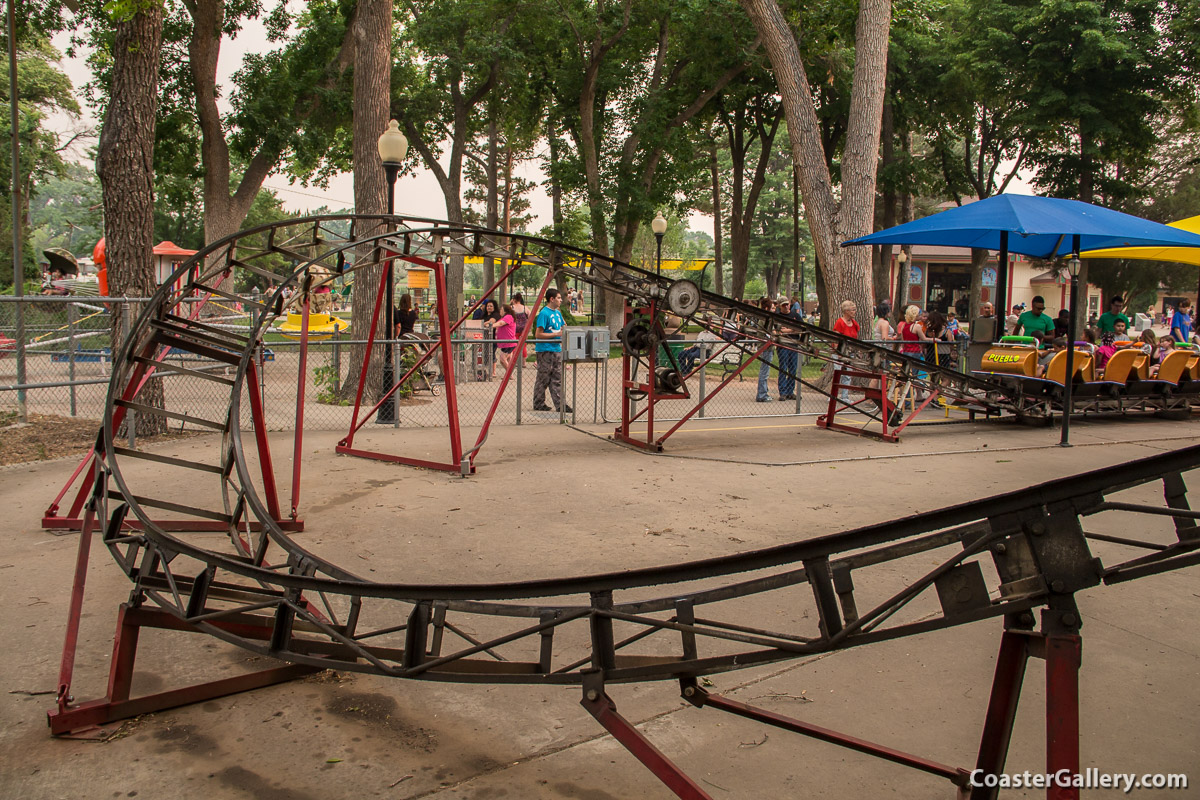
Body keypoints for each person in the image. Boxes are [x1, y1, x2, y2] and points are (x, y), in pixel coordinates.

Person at [532, 288, 570, 413]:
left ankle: (560, 404)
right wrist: (555, 334)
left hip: (556, 348)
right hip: (545, 350)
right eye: (558, 298)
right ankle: (538, 402)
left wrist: (563, 330)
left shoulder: (557, 313)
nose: (560, 300)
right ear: (551, 299)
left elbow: (563, 326)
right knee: (543, 377)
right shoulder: (544, 313)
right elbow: (538, 334)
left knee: (557, 377)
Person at [776, 299, 801, 400]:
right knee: (783, 367)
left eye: (787, 305)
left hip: (794, 344)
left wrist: (787, 330)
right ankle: (783, 392)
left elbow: (800, 329)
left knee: (793, 368)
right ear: (780, 306)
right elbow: (777, 331)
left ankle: (790, 391)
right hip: (783, 345)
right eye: (784, 305)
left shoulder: (796, 316)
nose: (786, 307)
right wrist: (792, 329)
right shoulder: (777, 316)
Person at [755, 297, 776, 402]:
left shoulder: (766, 319)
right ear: (767, 308)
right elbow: (768, 334)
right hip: (765, 348)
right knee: (764, 372)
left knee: (764, 371)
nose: (774, 310)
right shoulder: (765, 320)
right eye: (772, 308)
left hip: (766, 347)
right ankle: (762, 394)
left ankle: (763, 392)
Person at [492, 303, 518, 375]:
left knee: (502, 359)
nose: (500, 310)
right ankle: (510, 374)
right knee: (508, 359)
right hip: (505, 342)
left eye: (501, 309)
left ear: (505, 311)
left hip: (508, 342)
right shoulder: (503, 317)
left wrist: (491, 326)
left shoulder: (508, 317)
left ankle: (509, 374)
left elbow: (500, 323)